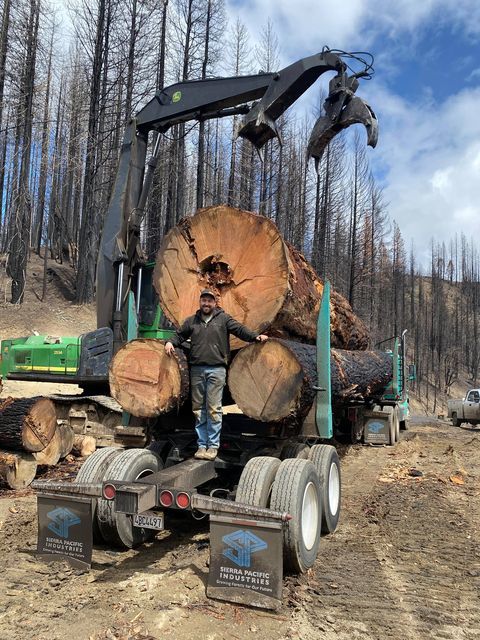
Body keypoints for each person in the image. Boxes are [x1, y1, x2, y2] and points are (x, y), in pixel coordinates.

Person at [165, 289, 268, 460]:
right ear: (200, 302)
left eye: (209, 301)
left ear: (215, 303)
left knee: (213, 409)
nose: (206, 304)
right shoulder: (192, 321)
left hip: (217, 370)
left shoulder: (223, 319)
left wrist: (255, 337)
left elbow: (239, 329)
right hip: (197, 370)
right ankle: (201, 445)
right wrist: (170, 342)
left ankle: (212, 446)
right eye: (204, 300)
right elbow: (179, 335)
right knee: (198, 409)